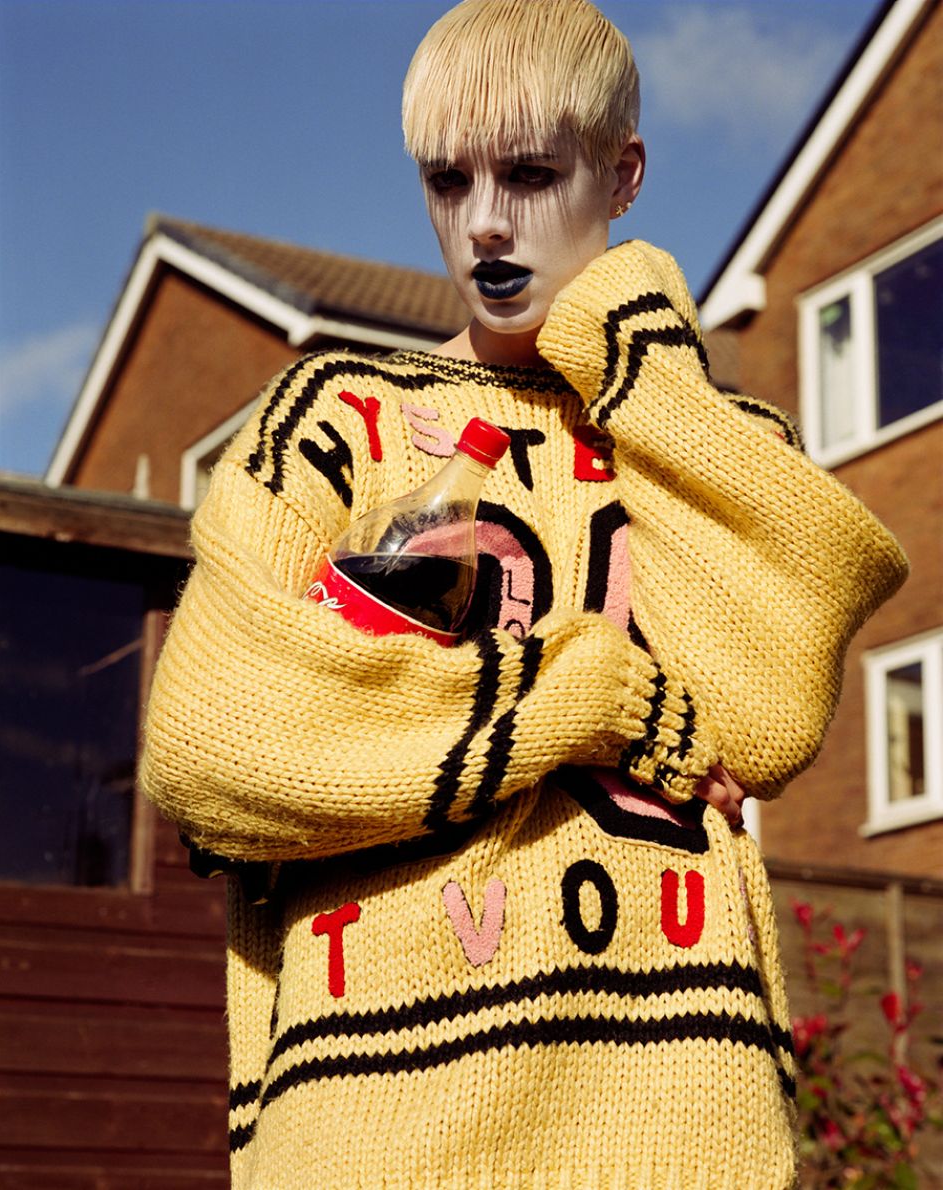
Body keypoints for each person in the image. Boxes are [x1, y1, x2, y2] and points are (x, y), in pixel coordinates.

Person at [141, 1, 908, 1185]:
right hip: (372, 1125)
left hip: (672, 1116)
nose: (485, 223)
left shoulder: (706, 438)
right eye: (449, 181)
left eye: (531, 172)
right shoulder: (338, 416)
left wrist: (633, 350)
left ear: (624, 171)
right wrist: (587, 693)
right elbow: (212, 741)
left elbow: (760, 713)